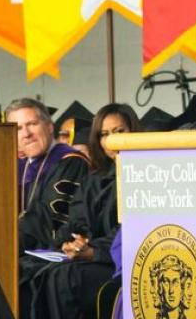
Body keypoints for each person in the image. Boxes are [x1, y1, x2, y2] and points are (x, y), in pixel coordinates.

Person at [23, 103, 142, 319]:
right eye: (104, 134)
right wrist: (72, 241)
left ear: (134, 131)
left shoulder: (147, 175)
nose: (111, 141)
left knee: (66, 278)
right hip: (90, 256)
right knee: (27, 271)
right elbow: (77, 220)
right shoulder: (96, 178)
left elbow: (131, 230)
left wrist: (93, 251)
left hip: (121, 262)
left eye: (119, 132)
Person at [5, 98, 90, 252]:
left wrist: (5, 240)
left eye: (32, 124)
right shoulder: (16, 165)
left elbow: (49, 220)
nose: (26, 134)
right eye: (18, 128)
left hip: (52, 255)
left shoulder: (70, 162)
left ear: (50, 126)